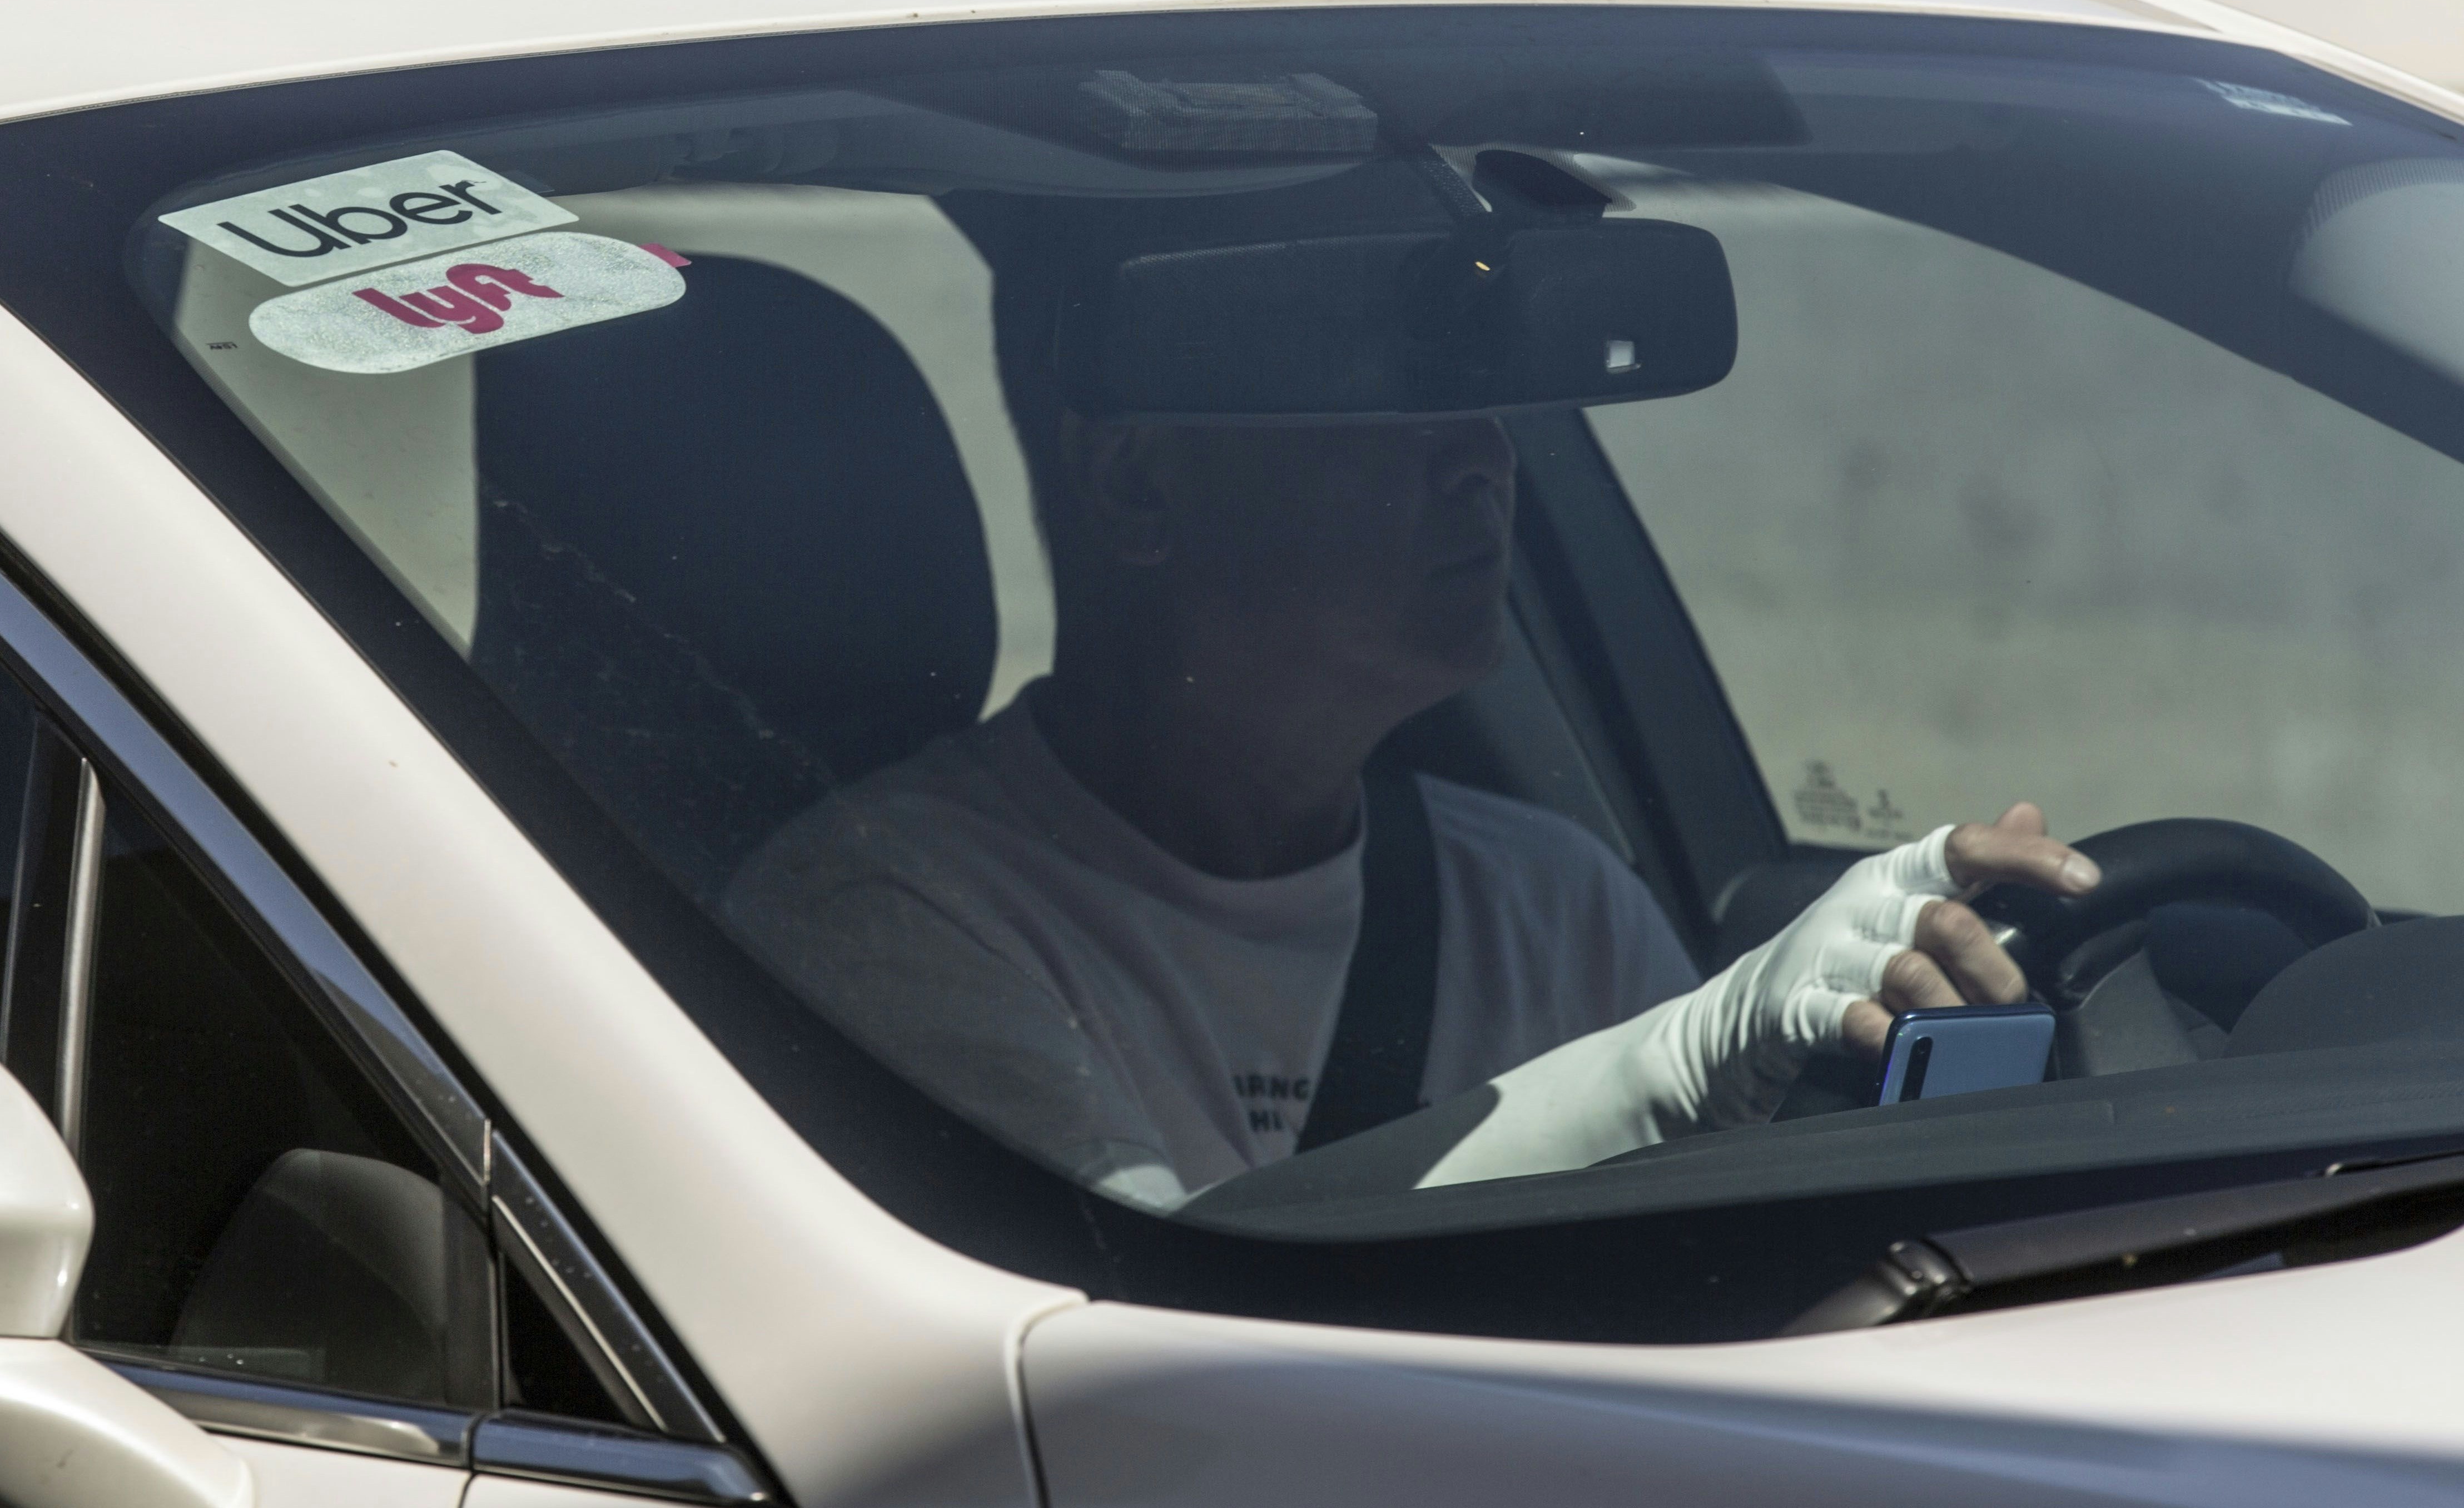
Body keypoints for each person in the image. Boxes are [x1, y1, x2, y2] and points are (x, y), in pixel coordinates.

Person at [722, 409, 2095, 1209]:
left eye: (1489, 390)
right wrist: (1685, 1061)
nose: (1483, 452)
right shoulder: (880, 919)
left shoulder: (1557, 898)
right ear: (1140, 484)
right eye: (1395, 383)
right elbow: (1171, 1358)